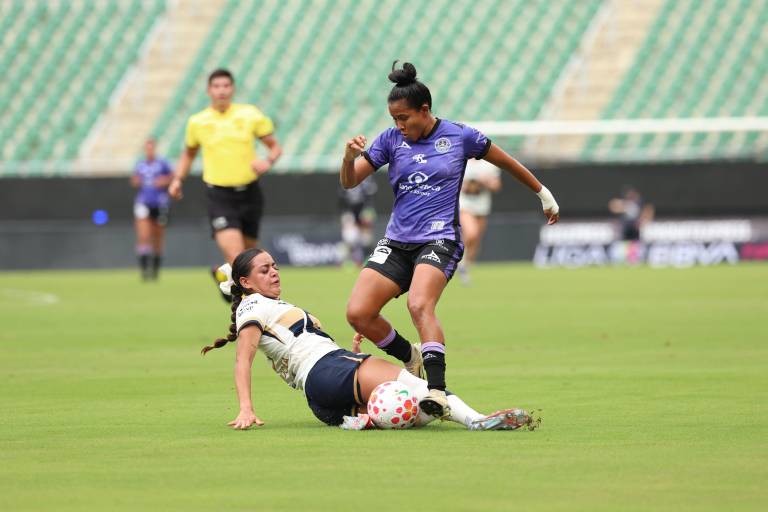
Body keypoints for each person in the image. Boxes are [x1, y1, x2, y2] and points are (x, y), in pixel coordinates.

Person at [339, 62, 560, 420]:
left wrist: (543, 193)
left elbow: (507, 162)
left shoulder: (459, 136)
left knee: (419, 305)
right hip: (397, 241)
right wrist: (348, 159)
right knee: (358, 313)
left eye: (404, 118)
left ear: (425, 110)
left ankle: (437, 392)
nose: (399, 125)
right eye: (394, 118)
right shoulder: (390, 140)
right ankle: (410, 356)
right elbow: (350, 181)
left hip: (439, 238)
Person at [200, 247, 536, 431]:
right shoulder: (253, 306)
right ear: (245, 283)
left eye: (274, 266)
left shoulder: (268, 305)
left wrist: (347, 352)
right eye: (264, 270)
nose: (274, 272)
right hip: (328, 370)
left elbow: (295, 347)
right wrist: (246, 409)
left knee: (409, 411)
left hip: (321, 392)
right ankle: (477, 420)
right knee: (421, 388)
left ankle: (356, 419)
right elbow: (242, 359)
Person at [168, 68, 282, 297]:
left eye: (226, 86)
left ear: (233, 89)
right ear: (209, 90)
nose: (221, 90)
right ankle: (249, 308)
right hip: (220, 196)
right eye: (216, 86)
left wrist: (267, 161)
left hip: (250, 193)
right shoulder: (198, 122)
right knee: (241, 260)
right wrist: (177, 179)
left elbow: (275, 147)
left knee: (252, 257)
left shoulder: (250, 114)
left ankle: (225, 278)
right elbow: (189, 153)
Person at [131, 137, 173, 281]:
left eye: (151, 148)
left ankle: (155, 270)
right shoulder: (140, 164)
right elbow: (134, 179)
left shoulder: (162, 163)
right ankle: (144, 270)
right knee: (143, 236)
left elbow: (172, 176)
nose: (149, 151)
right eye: (147, 148)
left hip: (160, 203)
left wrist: (164, 181)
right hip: (143, 202)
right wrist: (136, 181)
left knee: (158, 237)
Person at [458, 159, 502, 284]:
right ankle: (457, 259)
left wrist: (485, 181)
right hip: (464, 204)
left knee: (476, 240)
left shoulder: (488, 164)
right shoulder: (461, 160)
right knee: (472, 233)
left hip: (482, 207)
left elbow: (496, 186)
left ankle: (465, 267)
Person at [338, 175, 377, 266]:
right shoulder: (345, 174)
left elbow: (372, 195)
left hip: (364, 209)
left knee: (366, 239)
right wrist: (345, 213)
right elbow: (341, 197)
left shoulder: (368, 177)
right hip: (349, 211)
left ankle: (368, 259)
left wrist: (369, 210)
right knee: (350, 238)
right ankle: (349, 260)